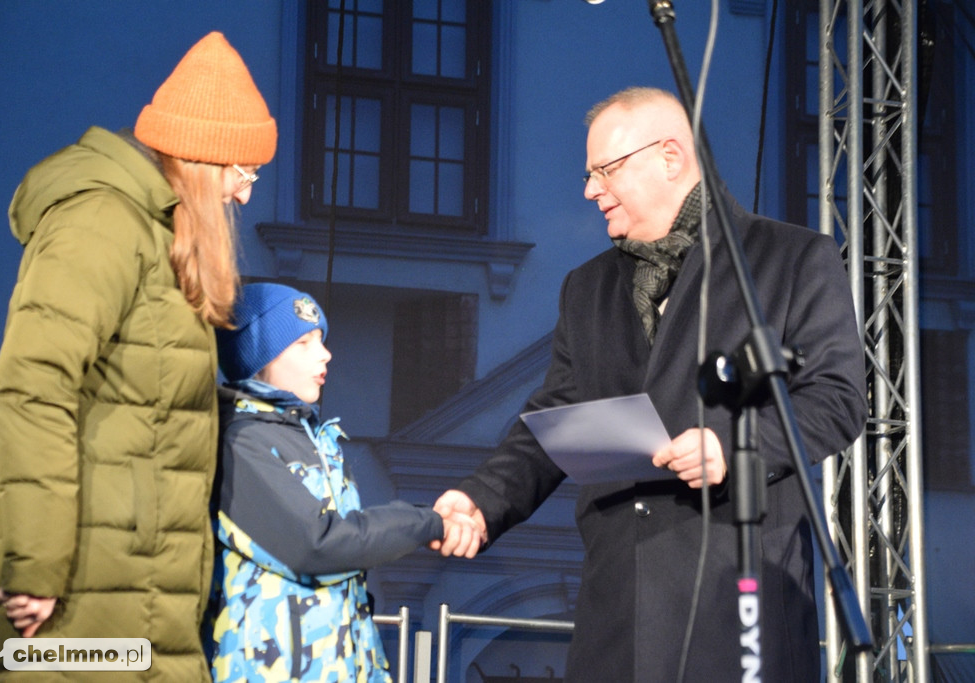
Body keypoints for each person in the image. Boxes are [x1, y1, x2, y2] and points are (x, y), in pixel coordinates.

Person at [433, 86, 867, 682]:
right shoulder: (587, 287)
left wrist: (731, 446)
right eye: (588, 175)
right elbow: (556, 420)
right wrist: (482, 500)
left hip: (737, 601)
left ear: (670, 156)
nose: (590, 190)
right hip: (619, 614)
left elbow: (837, 397)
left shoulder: (790, 259)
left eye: (605, 171)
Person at [0, 32, 277, 680]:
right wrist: (37, 563)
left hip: (141, 594)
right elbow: (32, 386)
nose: (245, 193)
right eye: (243, 170)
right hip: (70, 603)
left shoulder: (159, 238)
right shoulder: (101, 220)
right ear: (203, 157)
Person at [208, 282, 455, 682]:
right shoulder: (242, 440)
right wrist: (427, 521)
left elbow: (343, 585)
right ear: (260, 356)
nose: (325, 354)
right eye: (304, 342)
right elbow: (319, 545)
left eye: (321, 340)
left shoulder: (311, 438)